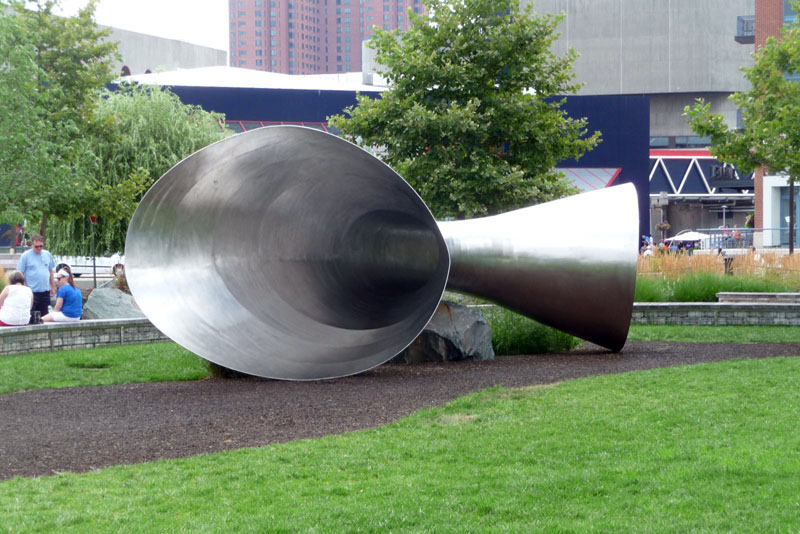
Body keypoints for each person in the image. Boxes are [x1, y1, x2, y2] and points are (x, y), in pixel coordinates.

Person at [16, 234, 55, 324]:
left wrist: (52, 287)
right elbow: (20, 273)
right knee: (30, 316)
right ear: (32, 245)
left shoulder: (47, 254)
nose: (39, 248)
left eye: (41, 246)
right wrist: (25, 287)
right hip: (32, 292)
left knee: (45, 316)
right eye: (36, 246)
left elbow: (50, 271)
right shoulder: (26, 256)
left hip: (45, 291)